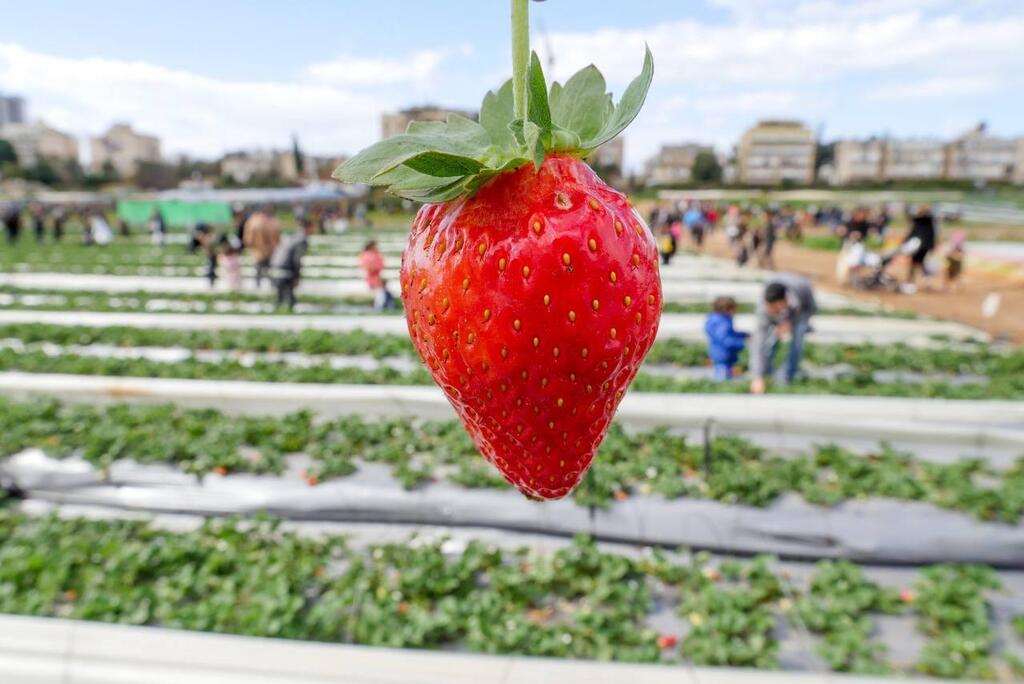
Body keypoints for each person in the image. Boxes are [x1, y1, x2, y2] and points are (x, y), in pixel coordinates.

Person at [750, 273, 817, 394]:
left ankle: (789, 375)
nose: (773, 310)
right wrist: (757, 376)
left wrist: (790, 323)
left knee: (797, 341)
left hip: (801, 311)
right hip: (784, 310)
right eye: (770, 308)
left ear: (784, 301)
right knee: (768, 339)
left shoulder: (802, 288)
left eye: (776, 308)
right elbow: (759, 341)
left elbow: (811, 309)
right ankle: (764, 371)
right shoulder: (763, 306)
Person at [270, 219, 315, 311]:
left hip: (276, 264)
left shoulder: (294, 236)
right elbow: (296, 260)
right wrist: (297, 276)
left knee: (282, 295)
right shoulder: (302, 240)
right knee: (288, 295)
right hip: (285, 267)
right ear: (308, 228)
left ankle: (280, 310)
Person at [704, 296, 748, 381]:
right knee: (722, 378)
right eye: (734, 309)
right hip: (723, 355)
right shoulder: (722, 323)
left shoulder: (720, 321)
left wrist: (742, 334)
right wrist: (741, 343)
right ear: (727, 309)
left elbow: (728, 334)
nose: (735, 312)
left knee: (724, 374)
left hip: (720, 354)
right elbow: (726, 339)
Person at [243, 209, 282, 288]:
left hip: (258, 251)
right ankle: (273, 287)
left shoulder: (253, 221)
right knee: (271, 271)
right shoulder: (274, 221)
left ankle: (258, 287)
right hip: (272, 251)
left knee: (258, 271)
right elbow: (278, 239)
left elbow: (248, 240)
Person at [904, 204, 937, 285]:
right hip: (919, 245)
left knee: (919, 263)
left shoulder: (927, 220)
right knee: (916, 263)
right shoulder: (920, 221)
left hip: (922, 246)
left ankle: (921, 280)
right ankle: (913, 280)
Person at [359, 240, 396, 310]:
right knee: (379, 293)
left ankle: (381, 307)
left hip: (377, 276)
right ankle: (378, 307)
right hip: (372, 277)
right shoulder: (367, 255)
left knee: (381, 292)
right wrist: (374, 268)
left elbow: (381, 263)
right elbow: (367, 267)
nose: (376, 247)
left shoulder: (376, 254)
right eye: (375, 245)